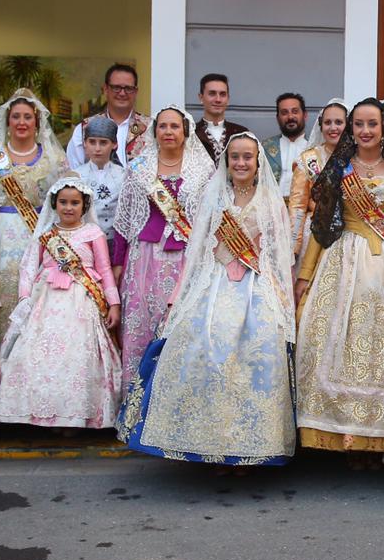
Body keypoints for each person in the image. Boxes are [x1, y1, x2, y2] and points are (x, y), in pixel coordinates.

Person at [120, 133, 296, 465]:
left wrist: (283, 301)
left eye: (247, 157)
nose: (241, 163)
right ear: (227, 163)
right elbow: (196, 251)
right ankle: (208, 446)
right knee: (199, 343)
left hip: (255, 287)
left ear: (258, 163)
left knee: (259, 350)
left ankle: (248, 448)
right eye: (235, 157)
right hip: (213, 283)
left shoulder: (271, 202)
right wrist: (179, 297)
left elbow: (279, 257)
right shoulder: (214, 198)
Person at [294, 98, 384, 456]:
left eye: (373, 124)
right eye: (359, 124)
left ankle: (383, 438)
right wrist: (305, 275)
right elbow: (321, 227)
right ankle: (344, 435)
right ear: (351, 129)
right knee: (335, 339)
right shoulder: (338, 168)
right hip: (344, 258)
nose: (365, 131)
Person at [0, 179, 121, 428]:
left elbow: (105, 269)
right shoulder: (45, 234)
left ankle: (75, 416)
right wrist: (24, 298)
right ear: (54, 204)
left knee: (77, 356)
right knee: (39, 354)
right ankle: (41, 414)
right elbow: (29, 267)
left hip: (82, 302)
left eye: (75, 203)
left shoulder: (93, 233)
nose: (68, 208)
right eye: (63, 202)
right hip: (46, 300)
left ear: (84, 205)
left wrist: (114, 303)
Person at [113, 106, 214, 397]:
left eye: (174, 127)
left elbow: (208, 221)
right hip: (144, 258)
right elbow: (126, 218)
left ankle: (173, 401)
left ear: (185, 133)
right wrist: (118, 262)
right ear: (155, 131)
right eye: (163, 126)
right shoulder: (139, 168)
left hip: (185, 259)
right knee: (141, 328)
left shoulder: (202, 170)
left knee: (178, 325)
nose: (168, 132)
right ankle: (135, 402)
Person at [0, 89, 69, 344]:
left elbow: (67, 200)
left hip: (39, 235)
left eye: (27, 117)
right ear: (7, 121)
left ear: (37, 121)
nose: (21, 122)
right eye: (16, 117)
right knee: (1, 296)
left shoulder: (54, 158)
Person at [288, 99, 349, 256]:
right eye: (328, 122)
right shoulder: (308, 159)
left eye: (339, 122)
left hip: (350, 234)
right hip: (315, 234)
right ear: (321, 127)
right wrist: (293, 246)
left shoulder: (358, 158)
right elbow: (297, 207)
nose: (333, 127)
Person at [65, 63, 150, 169]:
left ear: (135, 91)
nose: (122, 93)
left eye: (128, 88)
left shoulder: (150, 127)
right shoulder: (85, 128)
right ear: (105, 89)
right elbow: (73, 172)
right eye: (116, 87)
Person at [75, 116, 126, 234]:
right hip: (86, 241)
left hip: (116, 242)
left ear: (114, 144)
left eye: (103, 143)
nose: (97, 148)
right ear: (85, 144)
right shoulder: (77, 176)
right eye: (92, 142)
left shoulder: (124, 175)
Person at [262, 92, 311, 193]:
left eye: (295, 111)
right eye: (284, 113)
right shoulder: (265, 147)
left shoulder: (314, 148)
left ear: (305, 115)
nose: (290, 117)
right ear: (277, 118)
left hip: (304, 207)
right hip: (271, 207)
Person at [193, 73, 248, 162]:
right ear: (201, 98)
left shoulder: (241, 133)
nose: (218, 99)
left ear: (228, 99)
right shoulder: (191, 133)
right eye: (212, 94)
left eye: (222, 94)